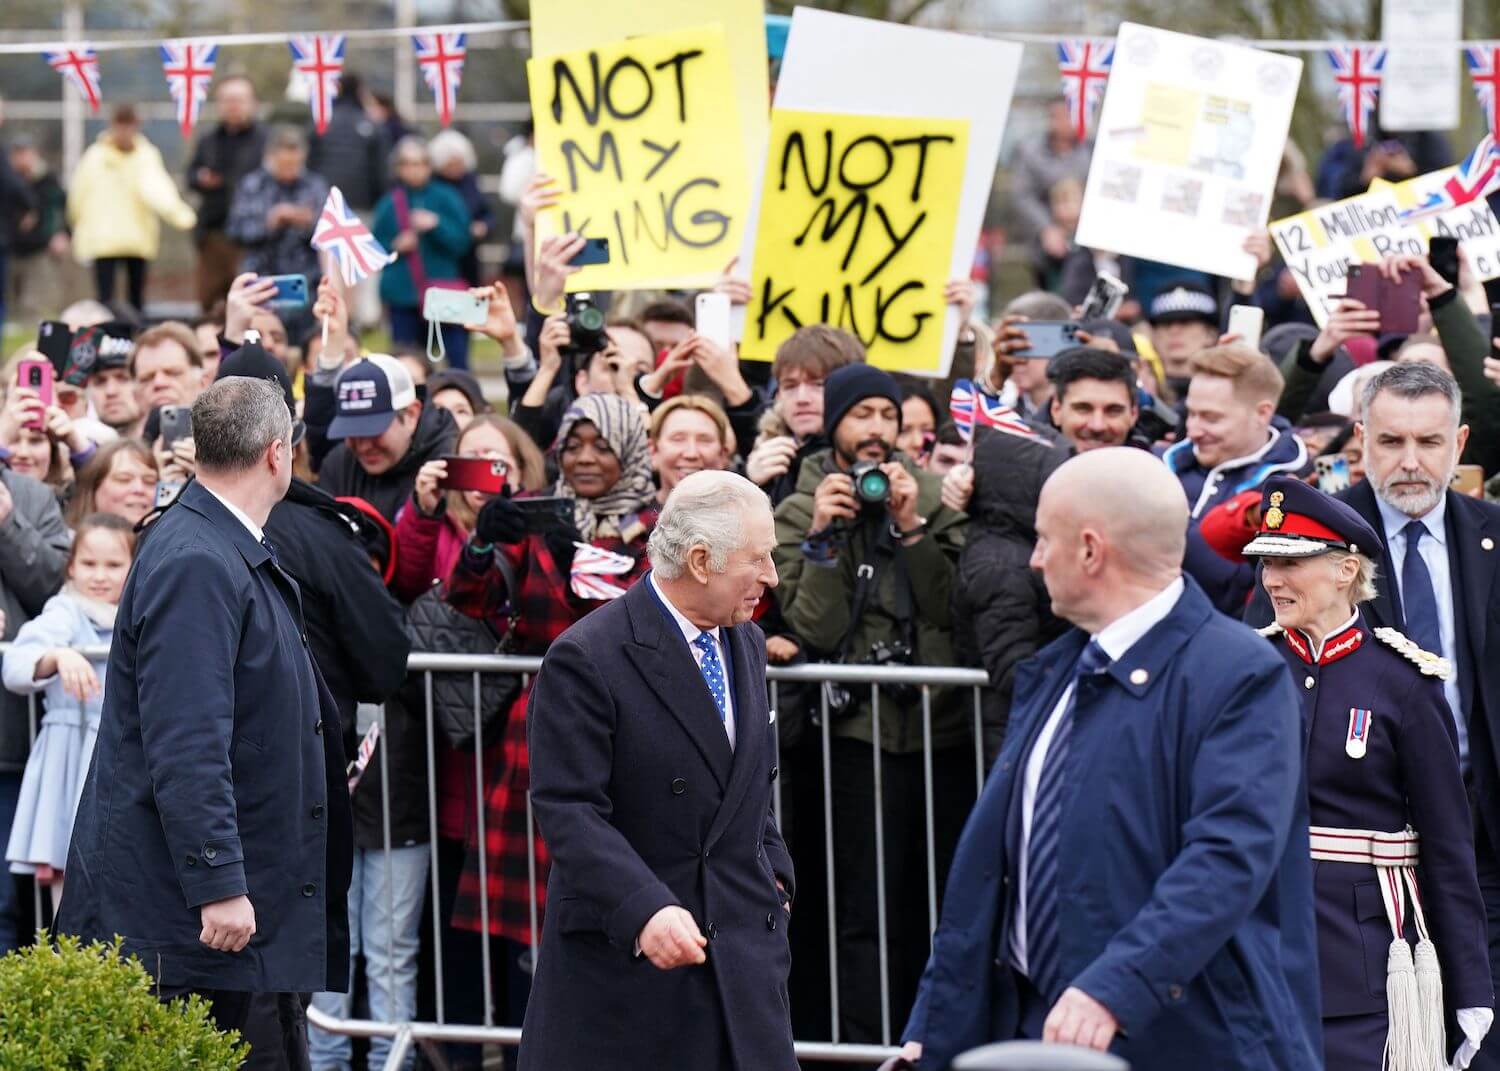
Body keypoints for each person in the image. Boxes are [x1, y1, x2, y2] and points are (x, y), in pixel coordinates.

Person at [896, 447, 1320, 1071]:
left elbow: (1227, 857)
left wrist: (1114, 988)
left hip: (1176, 1037)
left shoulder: (1237, 675)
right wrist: (933, 1027)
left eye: (1045, 540)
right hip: (1040, 1025)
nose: (1035, 559)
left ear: (1091, 550)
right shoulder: (1058, 668)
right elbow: (994, 868)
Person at [57, 377, 354, 1066]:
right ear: (278, 455)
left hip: (226, 928)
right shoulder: (196, 558)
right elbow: (186, 741)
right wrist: (219, 880)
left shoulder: (219, 545)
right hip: (191, 932)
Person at [516, 470, 795, 1071]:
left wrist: (774, 872)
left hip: (742, 966)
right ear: (700, 561)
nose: (772, 576)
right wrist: (644, 907)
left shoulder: (744, 642)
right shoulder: (587, 657)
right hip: (634, 977)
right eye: (759, 558)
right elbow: (569, 810)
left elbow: (750, 783)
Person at [1240, 476, 1493, 1068]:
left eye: (1290, 563)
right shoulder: (1252, 668)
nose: (1271, 580)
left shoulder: (1403, 681)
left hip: (1361, 958)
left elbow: (1448, 845)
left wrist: (1471, 987)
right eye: (1264, 563)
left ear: (1345, 570)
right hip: (1258, 938)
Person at [773, 363, 970, 1042]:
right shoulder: (801, 507)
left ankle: (926, 1042)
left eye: (888, 416)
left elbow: (951, 606)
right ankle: (863, 1044)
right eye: (862, 416)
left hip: (939, 732)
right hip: (854, 736)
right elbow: (812, 629)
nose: (877, 430)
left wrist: (912, 526)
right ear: (834, 425)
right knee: (861, 908)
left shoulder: (938, 496)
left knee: (934, 900)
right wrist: (825, 539)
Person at [445, 392, 660, 969]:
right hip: (536, 731)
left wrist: (575, 566)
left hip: (627, 728)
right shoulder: (537, 516)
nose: (584, 458)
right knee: (533, 930)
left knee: (620, 907)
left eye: (602, 445)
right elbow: (468, 598)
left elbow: (642, 617)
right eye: (573, 445)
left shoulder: (655, 527)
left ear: (632, 451)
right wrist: (485, 541)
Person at [2, 514, 134, 910]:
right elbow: (15, 664)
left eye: (113, 565)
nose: (99, 576)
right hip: (69, 759)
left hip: (122, 757)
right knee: (66, 869)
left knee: (124, 873)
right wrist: (57, 655)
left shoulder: (138, 611)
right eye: (89, 564)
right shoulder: (65, 610)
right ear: (72, 565)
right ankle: (68, 964)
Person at [1162, 343, 1309, 614]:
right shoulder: (1158, 464)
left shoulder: (1297, 487)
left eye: (1211, 418)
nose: (1193, 430)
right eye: (1191, 414)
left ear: (1262, 413)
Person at [953, 427, 1071, 765]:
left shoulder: (1013, 547)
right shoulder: (1000, 564)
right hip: (1012, 732)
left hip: (1022, 724)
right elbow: (1012, 667)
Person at [0, 460, 70, 953]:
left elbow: (55, 586)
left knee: (9, 906)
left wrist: (7, 523)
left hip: (12, 743)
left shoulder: (30, 497)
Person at [66, 104, 196, 314]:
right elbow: (78, 193)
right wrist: (74, 226)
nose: (125, 133)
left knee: (136, 297)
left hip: (137, 238)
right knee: (105, 300)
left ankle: (136, 338)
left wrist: (181, 216)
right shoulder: (95, 157)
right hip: (103, 238)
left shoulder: (145, 156)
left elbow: (159, 189)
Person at [371, 138, 474, 369]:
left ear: (429, 166)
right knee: (405, 360)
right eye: (408, 164)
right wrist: (396, 245)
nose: (414, 170)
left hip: (444, 293)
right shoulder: (389, 203)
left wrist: (437, 225)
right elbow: (375, 249)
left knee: (457, 360)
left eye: (420, 163)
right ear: (399, 168)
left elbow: (463, 242)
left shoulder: (447, 197)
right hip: (403, 295)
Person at [319, 355, 459, 520]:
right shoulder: (339, 465)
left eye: (372, 431)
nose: (363, 446)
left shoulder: (449, 466)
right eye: (351, 432)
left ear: (411, 415)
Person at [744, 325, 864, 507]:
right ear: (778, 395)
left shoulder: (877, 457)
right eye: (790, 386)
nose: (801, 399)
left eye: (818, 384)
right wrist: (749, 487)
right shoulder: (763, 458)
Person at [187, 75, 267, 308]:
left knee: (251, 303)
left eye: (239, 100)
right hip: (214, 234)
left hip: (252, 238)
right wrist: (202, 178)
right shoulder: (208, 139)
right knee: (210, 303)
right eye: (227, 100)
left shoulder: (265, 140)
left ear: (252, 103)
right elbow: (191, 175)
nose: (233, 106)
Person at [226, 126, 328, 296]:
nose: (290, 171)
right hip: (261, 280)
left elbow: (330, 235)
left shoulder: (315, 187)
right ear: (271, 158)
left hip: (306, 282)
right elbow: (235, 230)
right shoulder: (252, 186)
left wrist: (307, 222)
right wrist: (270, 222)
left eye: (295, 165)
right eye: (284, 165)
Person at [1010, 100, 1093, 264]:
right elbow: (1022, 195)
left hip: (1089, 242)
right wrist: (1046, 228)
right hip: (1048, 245)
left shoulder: (1091, 149)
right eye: (1064, 116)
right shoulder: (1031, 152)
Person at [7, 134, 72, 326]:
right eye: (17, 154)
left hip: (40, 250)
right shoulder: (8, 180)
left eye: (25, 153)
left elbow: (64, 209)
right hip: (12, 248)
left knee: (34, 306)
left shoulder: (48, 180)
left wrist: (63, 234)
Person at [430, 130, 494, 288]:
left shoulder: (470, 182)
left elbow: (485, 212)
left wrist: (483, 226)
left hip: (469, 255)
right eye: (450, 164)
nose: (456, 168)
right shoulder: (434, 186)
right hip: (442, 256)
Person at [1046, 347, 1141, 452]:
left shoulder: (1157, 466)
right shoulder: (1027, 465)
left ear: (1133, 414)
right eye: (1083, 409)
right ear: (1056, 410)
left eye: (1113, 411)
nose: (1097, 426)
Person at [649, 394, 733, 506]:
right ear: (653, 451)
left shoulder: (748, 519)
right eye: (678, 439)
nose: (691, 453)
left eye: (705, 440)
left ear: (723, 454)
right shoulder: (627, 519)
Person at [1146, 281, 1222, 393]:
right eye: (1166, 323)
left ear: (1210, 334)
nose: (1174, 330)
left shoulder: (1223, 391)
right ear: (1154, 335)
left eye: (1185, 322)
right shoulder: (1140, 390)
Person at [65, 439, 157, 528]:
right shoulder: (63, 541)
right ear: (94, 488)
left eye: (150, 481)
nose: (139, 489)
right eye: (124, 479)